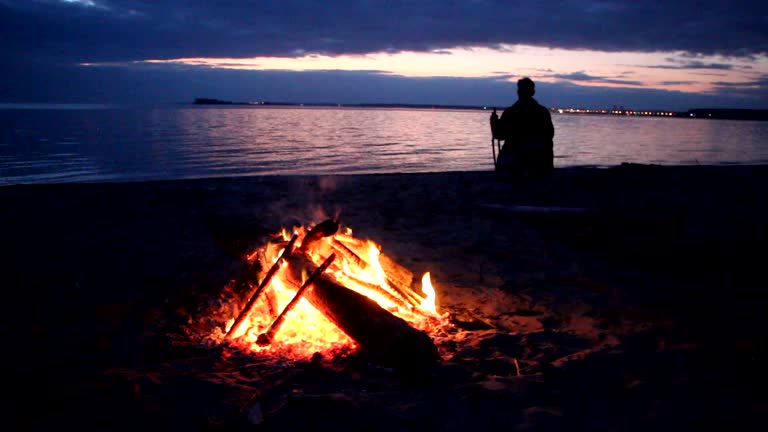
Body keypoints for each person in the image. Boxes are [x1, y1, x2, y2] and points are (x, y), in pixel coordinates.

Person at [494, 77, 554, 176]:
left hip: (518, 159)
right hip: (538, 159)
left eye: (522, 90)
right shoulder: (542, 111)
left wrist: (494, 124)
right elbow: (549, 135)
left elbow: (499, 135)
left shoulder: (511, 112)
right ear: (533, 92)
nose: (521, 93)